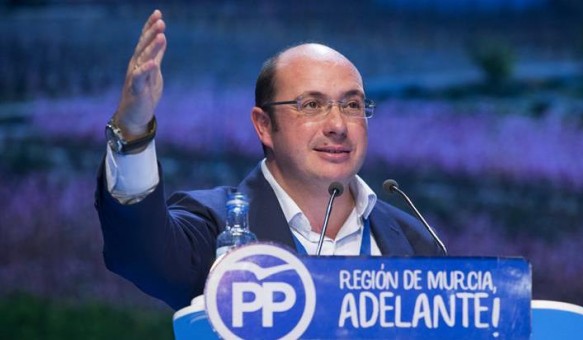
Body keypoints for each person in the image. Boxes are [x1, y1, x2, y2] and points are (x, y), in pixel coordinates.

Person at [95, 10, 443, 310]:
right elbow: (141, 255)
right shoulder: (216, 225)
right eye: (311, 105)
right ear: (264, 126)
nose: (338, 125)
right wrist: (133, 130)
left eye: (352, 105)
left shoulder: (416, 242)